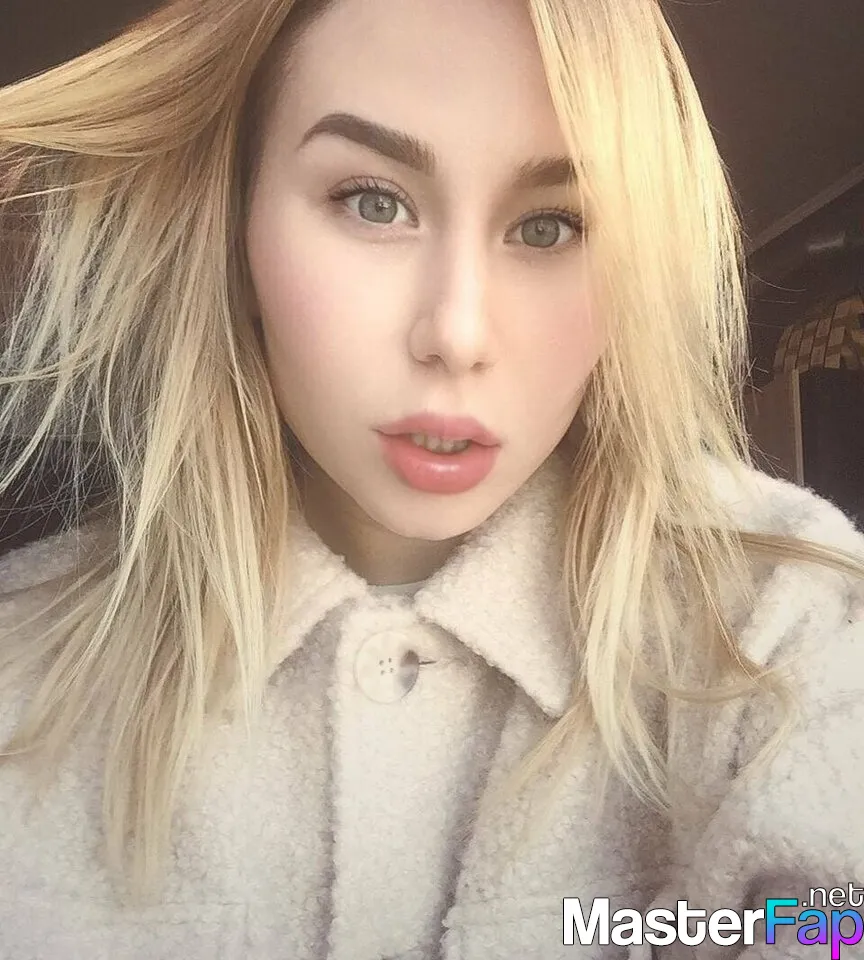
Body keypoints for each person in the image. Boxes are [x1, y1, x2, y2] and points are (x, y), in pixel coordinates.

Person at [0, 0, 862, 956]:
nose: (456, 332)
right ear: (237, 232)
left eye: (550, 226)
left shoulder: (783, 620)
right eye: (373, 202)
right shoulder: (18, 676)